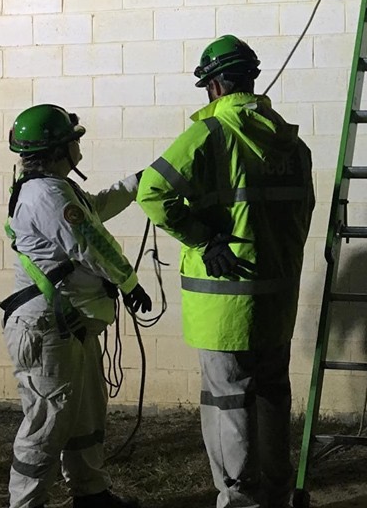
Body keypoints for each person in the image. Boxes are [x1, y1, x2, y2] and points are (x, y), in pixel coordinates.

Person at [137, 35, 314, 508]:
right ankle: (277, 496)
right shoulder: (293, 145)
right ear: (251, 79)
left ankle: (241, 501)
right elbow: (302, 216)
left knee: (229, 401)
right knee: (273, 396)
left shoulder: (210, 135)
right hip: (276, 300)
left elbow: (151, 191)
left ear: (214, 86)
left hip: (223, 303)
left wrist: (204, 238)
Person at [2, 103, 153, 508]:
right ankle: (26, 503)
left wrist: (139, 181)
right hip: (48, 328)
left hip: (67, 324)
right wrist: (128, 281)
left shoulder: (53, 188)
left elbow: (95, 208)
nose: (79, 146)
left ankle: (91, 493)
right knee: (47, 422)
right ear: (58, 150)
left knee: (85, 413)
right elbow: (90, 242)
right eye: (74, 140)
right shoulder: (47, 194)